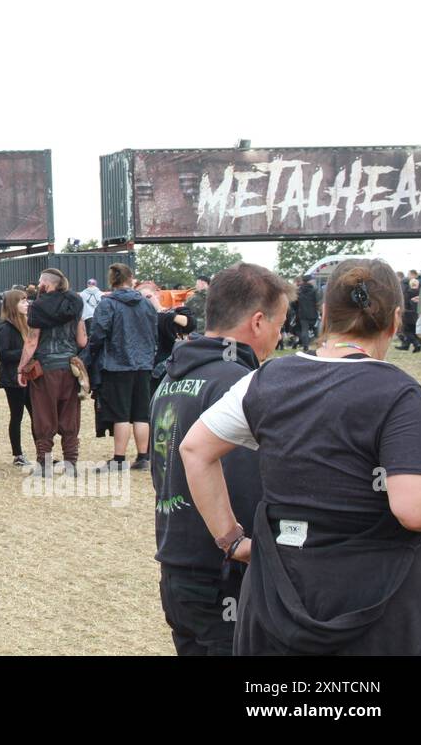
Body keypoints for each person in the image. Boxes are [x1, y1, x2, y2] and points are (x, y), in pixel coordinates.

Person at [183, 259, 421, 654]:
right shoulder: (399, 392)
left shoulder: (265, 379)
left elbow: (195, 448)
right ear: (396, 319)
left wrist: (231, 540)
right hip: (375, 606)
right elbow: (414, 509)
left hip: (276, 596)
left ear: (325, 313)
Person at [150, 263, 293, 655]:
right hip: (224, 570)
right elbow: (248, 481)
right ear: (259, 322)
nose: (280, 338)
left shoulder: (172, 375)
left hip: (177, 563)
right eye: (280, 324)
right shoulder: (238, 383)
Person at [88, 263, 158, 472]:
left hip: (117, 364)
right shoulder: (146, 304)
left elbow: (98, 333)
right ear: (131, 279)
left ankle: (119, 459)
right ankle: (143, 457)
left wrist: (92, 352)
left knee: (121, 414)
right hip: (144, 363)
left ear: (112, 281)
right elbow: (153, 332)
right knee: (141, 413)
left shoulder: (107, 304)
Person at [18, 268, 86, 477]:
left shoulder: (38, 307)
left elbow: (31, 341)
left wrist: (21, 368)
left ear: (47, 285)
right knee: (70, 416)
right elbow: (82, 340)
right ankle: (71, 463)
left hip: (45, 369)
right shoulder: (74, 304)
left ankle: (44, 464)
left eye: (40, 282)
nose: (39, 285)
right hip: (70, 367)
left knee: (44, 415)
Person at [0, 289, 33, 468]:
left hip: (29, 376)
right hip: (13, 379)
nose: (26, 304)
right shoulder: (6, 328)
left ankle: (42, 452)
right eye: (22, 301)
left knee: (37, 415)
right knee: (17, 415)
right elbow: (3, 354)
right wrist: (26, 352)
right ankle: (17, 454)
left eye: (27, 300)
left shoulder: (26, 324)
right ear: (13, 304)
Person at [294, 274, 319, 352]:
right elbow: (317, 302)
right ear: (309, 281)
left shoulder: (299, 291)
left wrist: (298, 310)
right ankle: (320, 345)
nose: (314, 281)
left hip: (302, 314)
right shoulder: (314, 290)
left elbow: (294, 303)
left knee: (304, 331)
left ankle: (305, 347)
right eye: (312, 280)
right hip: (313, 313)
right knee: (316, 331)